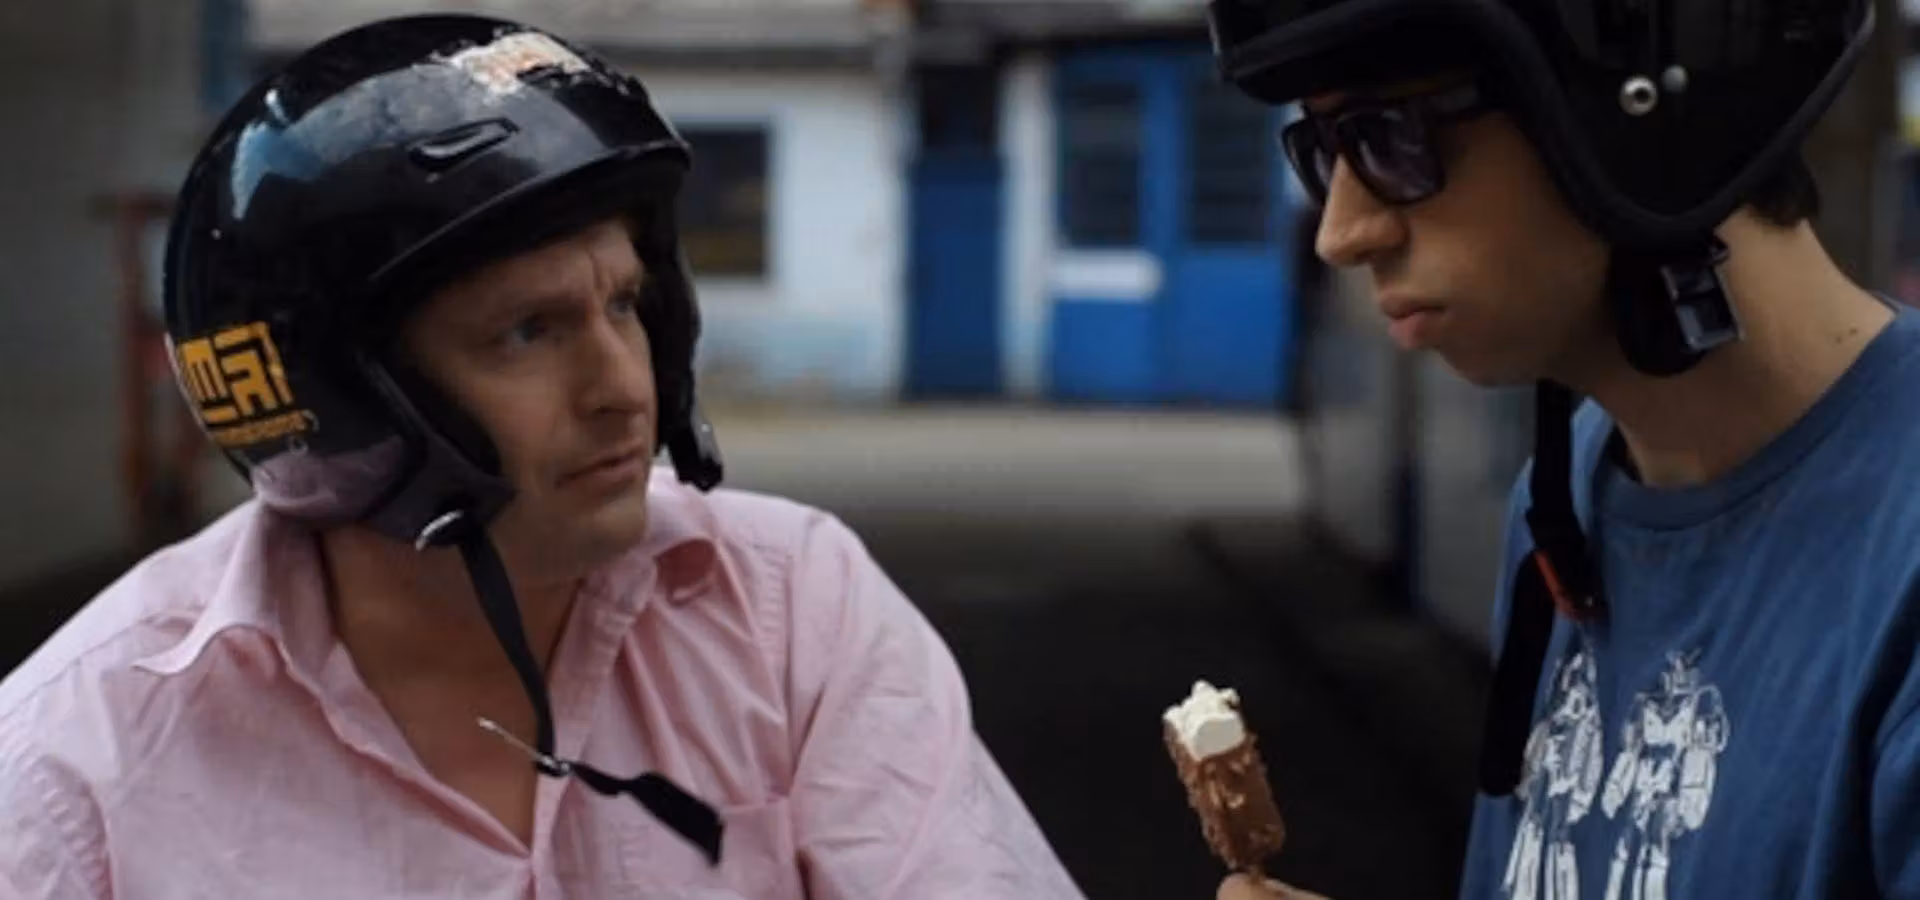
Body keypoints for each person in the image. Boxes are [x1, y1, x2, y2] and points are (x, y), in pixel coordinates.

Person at [0, 15, 1085, 899]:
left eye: (626, 305)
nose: (623, 386)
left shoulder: (794, 610)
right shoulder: (74, 764)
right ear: (335, 404)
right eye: (527, 332)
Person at [1200, 0, 1920, 898]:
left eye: (1390, 138)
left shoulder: (1899, 563)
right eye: (1320, 152)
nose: (1341, 233)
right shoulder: (1570, 492)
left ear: (1646, 114)